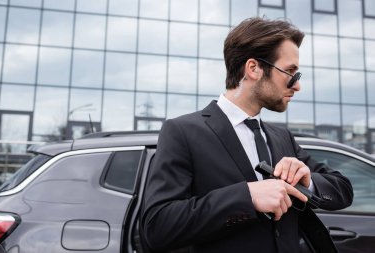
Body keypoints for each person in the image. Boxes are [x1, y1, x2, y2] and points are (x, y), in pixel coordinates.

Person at [141, 17, 353, 253]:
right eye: (291, 72)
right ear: (253, 68)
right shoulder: (183, 132)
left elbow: (342, 189)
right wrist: (246, 197)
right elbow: (158, 227)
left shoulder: (282, 137)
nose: (297, 85)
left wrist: (309, 181)